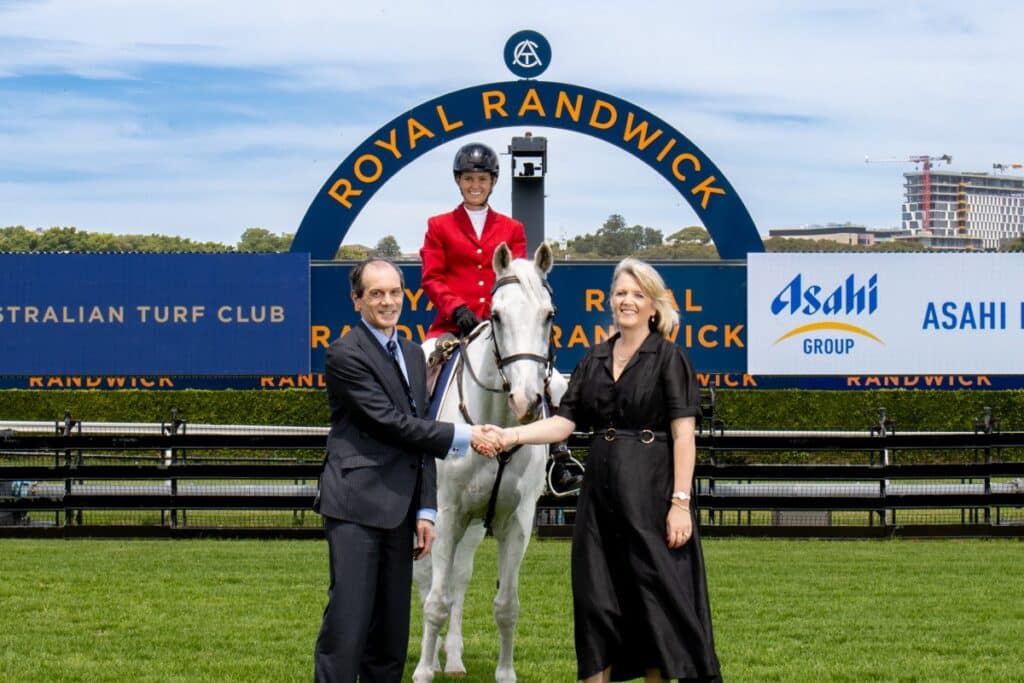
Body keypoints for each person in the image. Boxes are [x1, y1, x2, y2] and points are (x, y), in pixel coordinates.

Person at [488, 258, 721, 682]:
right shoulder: (594, 358)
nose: (627, 301)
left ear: (654, 305)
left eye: (637, 294)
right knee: (596, 603)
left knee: (655, 605)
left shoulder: (670, 358)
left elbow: (684, 436)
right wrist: (510, 436)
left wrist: (680, 503)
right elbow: (564, 423)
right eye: (620, 293)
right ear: (610, 301)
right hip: (599, 504)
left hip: (653, 498)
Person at [313, 258, 500, 683]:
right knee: (347, 626)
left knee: (391, 637)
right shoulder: (344, 354)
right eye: (376, 293)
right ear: (356, 300)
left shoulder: (415, 354)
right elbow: (390, 423)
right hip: (356, 508)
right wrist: (466, 434)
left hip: (401, 512)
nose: (388, 301)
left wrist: (426, 509)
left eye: (395, 292)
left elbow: (419, 438)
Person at [420, 141, 581, 492]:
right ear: (458, 181)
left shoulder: (511, 228)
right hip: (452, 328)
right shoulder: (439, 225)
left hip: (501, 330)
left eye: (481, 179)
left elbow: (519, 279)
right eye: (468, 178)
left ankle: (559, 458)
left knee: (555, 383)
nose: (474, 185)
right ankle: (414, 458)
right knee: (417, 371)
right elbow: (432, 277)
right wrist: (456, 308)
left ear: (493, 182)